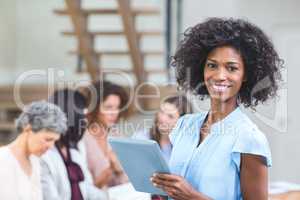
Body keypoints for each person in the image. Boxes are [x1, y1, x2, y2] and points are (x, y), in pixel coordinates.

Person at [151, 17, 283, 200]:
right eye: (212, 65)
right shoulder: (183, 125)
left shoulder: (250, 139)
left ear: (246, 75)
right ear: (201, 69)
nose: (220, 76)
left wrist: (192, 197)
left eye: (232, 68)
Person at [40, 89, 107, 200]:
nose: (86, 121)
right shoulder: (44, 156)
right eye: (83, 116)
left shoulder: (74, 150)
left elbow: (86, 189)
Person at [0, 101, 67, 200]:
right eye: (48, 139)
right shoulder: (3, 160)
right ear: (28, 128)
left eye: (54, 141)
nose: (51, 146)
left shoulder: (35, 160)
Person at [83, 80, 129, 188]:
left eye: (117, 107)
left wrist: (118, 169)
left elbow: (129, 180)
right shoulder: (82, 138)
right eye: (108, 107)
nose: (114, 113)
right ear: (93, 107)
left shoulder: (117, 135)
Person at [133, 95, 193, 162]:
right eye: (162, 111)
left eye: (170, 116)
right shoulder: (141, 138)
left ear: (182, 123)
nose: (162, 118)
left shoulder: (187, 150)